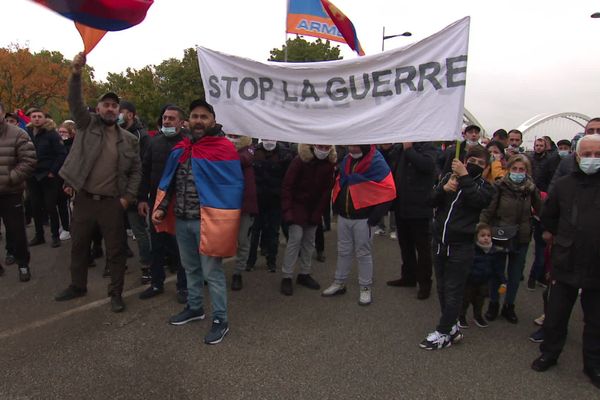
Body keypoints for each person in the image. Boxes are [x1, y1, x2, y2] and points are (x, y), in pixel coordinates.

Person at [54, 52, 142, 313]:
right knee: (79, 246)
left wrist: (127, 198)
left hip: (112, 203)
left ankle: (116, 293)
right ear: (99, 108)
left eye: (115, 106)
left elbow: (137, 171)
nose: (111, 109)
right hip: (84, 199)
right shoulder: (86, 124)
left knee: (115, 252)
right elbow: (74, 100)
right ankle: (77, 285)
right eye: (106, 105)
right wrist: (76, 73)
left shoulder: (129, 140)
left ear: (119, 112)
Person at [152, 99, 244, 345]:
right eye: (195, 116)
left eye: (204, 117)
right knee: (190, 267)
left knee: (211, 273)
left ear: (213, 120)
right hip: (182, 219)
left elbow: (232, 186)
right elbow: (170, 182)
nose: (199, 121)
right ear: (187, 121)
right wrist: (162, 207)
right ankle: (195, 308)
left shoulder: (223, 148)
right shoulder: (181, 148)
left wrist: (225, 221)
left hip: (209, 222)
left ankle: (220, 320)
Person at [531, 135, 600, 390]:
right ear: (577, 156)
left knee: (596, 320)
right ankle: (550, 353)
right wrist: (552, 235)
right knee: (556, 314)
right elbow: (548, 216)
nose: (593, 159)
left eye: (598, 154)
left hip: (597, 265)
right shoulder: (563, 185)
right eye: (588, 154)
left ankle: (593, 364)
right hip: (566, 260)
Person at [419, 146, 494, 350]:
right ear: (464, 159)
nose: (475, 166)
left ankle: (443, 331)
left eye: (480, 164)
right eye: (472, 161)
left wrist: (464, 177)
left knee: (453, 290)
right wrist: (443, 189)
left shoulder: (486, 188)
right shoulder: (448, 179)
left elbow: (477, 201)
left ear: (486, 168)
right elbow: (430, 201)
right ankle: (451, 327)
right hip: (439, 243)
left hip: (461, 247)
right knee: (442, 287)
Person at [322, 144, 395, 305]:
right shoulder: (347, 160)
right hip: (344, 216)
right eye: (350, 145)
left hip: (364, 218)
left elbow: (389, 190)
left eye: (355, 146)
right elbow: (341, 181)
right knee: (343, 251)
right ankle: (339, 282)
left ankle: (365, 287)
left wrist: (374, 218)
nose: (351, 149)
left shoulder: (377, 162)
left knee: (363, 253)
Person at [480, 154, 542, 323]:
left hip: (521, 237)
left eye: (521, 169)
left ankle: (509, 306)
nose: (518, 172)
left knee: (515, 275)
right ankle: (494, 303)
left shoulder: (530, 188)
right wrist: (481, 229)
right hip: (500, 236)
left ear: (527, 171)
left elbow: (541, 210)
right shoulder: (499, 187)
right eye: (514, 169)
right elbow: (488, 211)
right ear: (508, 169)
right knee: (497, 273)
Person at [137, 106, 188, 303]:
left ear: (181, 122)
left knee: (180, 247)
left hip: (179, 202)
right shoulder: (153, 142)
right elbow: (145, 170)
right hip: (156, 200)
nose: (166, 121)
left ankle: (183, 286)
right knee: (156, 245)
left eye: (172, 118)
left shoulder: (187, 143)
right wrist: (142, 198)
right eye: (165, 118)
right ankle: (157, 283)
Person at [280, 144, 336, 296]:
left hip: (314, 208)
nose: (323, 151)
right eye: (321, 147)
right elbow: (287, 186)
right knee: (295, 239)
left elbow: (326, 192)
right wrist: (288, 212)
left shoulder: (329, 165)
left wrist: (318, 213)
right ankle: (287, 276)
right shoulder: (299, 161)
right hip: (297, 206)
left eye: (327, 148)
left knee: (309, 241)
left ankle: (304, 273)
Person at [386, 141, 437, 299]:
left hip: (420, 207)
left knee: (422, 249)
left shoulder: (428, 147)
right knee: (405, 244)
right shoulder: (399, 147)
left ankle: (424, 284)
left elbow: (427, 166)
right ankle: (408, 276)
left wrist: (409, 149)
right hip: (402, 205)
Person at [0, 101, 36, 281]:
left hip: (11, 192)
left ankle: (23, 264)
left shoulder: (18, 134)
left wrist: (9, 178)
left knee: (16, 231)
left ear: (3, 112)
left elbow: (29, 161)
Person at [119, 100, 152, 283]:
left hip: (133, 193)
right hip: (115, 192)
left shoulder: (142, 137)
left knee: (139, 231)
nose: (116, 115)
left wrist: (140, 196)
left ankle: (147, 266)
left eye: (120, 111)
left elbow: (144, 168)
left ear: (130, 114)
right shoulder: (113, 133)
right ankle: (117, 263)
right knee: (116, 230)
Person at [247, 139, 293, 272]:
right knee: (255, 232)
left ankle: (271, 261)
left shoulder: (284, 154)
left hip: (275, 201)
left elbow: (287, 179)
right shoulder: (254, 151)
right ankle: (250, 261)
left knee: (273, 232)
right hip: (258, 200)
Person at [26, 109, 67, 248]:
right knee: (35, 206)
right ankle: (39, 235)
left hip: (48, 175)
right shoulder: (27, 134)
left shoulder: (52, 134)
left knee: (50, 206)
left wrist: (52, 171)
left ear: (44, 118)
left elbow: (61, 154)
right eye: (34, 116)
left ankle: (55, 236)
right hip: (32, 175)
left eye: (39, 116)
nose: (37, 119)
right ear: (30, 118)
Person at [225, 133, 258, 291]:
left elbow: (243, 160)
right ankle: (212, 273)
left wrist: (224, 152)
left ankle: (238, 273)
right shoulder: (221, 146)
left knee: (242, 240)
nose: (233, 137)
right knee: (219, 241)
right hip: (224, 203)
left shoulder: (249, 149)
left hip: (244, 204)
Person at [458, 223, 495, 329]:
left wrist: (502, 279)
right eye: (483, 236)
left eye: (488, 236)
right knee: (466, 299)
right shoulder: (473, 250)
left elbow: (495, 266)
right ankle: (461, 316)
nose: (486, 238)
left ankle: (478, 316)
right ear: (476, 237)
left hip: (484, 280)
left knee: (480, 300)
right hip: (470, 280)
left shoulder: (492, 250)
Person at [549, 118, 600, 192]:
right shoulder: (568, 161)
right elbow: (554, 190)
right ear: (585, 134)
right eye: (591, 131)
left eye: (599, 131)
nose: (595, 134)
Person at [56, 120, 77, 241]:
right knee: (63, 204)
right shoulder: (58, 144)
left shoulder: (74, 145)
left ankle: (71, 227)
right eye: (60, 132)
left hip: (71, 179)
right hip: (60, 177)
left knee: (71, 205)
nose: (62, 134)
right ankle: (66, 226)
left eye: (64, 132)